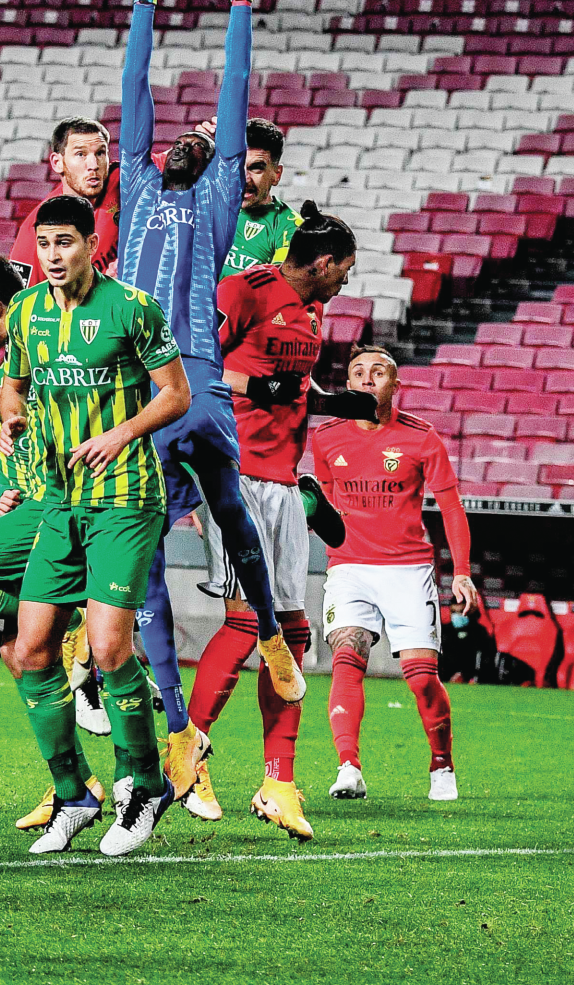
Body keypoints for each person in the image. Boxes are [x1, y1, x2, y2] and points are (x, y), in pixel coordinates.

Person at [116, 0, 306, 729]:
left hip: (191, 375)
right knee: (147, 545)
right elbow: (134, 85)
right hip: (137, 379)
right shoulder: (137, 185)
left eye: (206, 134)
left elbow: (234, 89)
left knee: (229, 511)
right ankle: (173, 717)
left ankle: (267, 631)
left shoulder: (222, 192)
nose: (194, 135)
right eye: (182, 133)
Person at [0, 192, 192, 859]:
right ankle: (73, 792)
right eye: (44, 243)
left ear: (90, 242)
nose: (52, 255)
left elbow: (176, 393)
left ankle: (146, 783)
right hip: (59, 500)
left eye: (65, 243)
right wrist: (11, 414)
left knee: (109, 650)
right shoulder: (25, 311)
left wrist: (121, 433)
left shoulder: (132, 308)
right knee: (30, 651)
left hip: (126, 496)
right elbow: (15, 384)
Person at [188, 206, 365, 839]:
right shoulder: (244, 289)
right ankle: (189, 751)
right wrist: (250, 387)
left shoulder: (313, 313)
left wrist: (334, 401)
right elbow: (194, 365)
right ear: (322, 263)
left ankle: (278, 782)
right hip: (235, 475)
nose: (345, 280)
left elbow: (295, 385)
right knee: (246, 624)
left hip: (285, 479)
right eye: (343, 269)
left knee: (290, 629)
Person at [0, 255, 108, 829]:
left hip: (53, 505)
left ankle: (76, 619)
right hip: (25, 504)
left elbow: (32, 407)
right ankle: (75, 785)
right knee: (19, 656)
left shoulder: (51, 354)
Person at [311, 346, 476, 804]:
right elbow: (325, 505)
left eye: (378, 372)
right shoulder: (325, 438)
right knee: (347, 654)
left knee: (421, 676)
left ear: (394, 385)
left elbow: (450, 507)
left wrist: (461, 572)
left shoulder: (422, 439)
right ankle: (349, 766)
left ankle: (441, 764)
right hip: (348, 566)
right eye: (358, 372)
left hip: (408, 569)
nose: (366, 379)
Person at [7, 117, 121, 286]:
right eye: (80, 154)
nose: (93, 164)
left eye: (100, 153)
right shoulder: (34, 233)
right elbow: (20, 306)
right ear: (57, 163)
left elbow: (169, 160)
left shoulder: (121, 179)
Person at [219, 118, 302, 279]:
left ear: (276, 174)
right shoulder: (208, 204)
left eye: (256, 168)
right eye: (237, 167)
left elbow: (277, 286)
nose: (244, 179)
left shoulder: (290, 227)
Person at [439, 593, 498, 685]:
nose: (457, 615)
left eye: (461, 611)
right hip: (445, 679)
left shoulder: (480, 632)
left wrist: (465, 675)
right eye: (454, 612)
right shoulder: (443, 632)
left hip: (472, 681)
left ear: (469, 611)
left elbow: (486, 659)